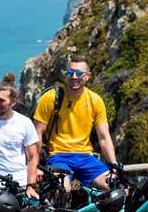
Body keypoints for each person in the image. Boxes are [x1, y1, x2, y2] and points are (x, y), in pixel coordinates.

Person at [33, 56, 117, 190]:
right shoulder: (51, 98)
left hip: (86, 157)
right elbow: (37, 134)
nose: (73, 77)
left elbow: (104, 137)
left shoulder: (95, 100)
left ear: (87, 76)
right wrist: (35, 167)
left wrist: (114, 166)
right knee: (61, 190)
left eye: (78, 73)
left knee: (117, 187)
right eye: (70, 72)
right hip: (58, 157)